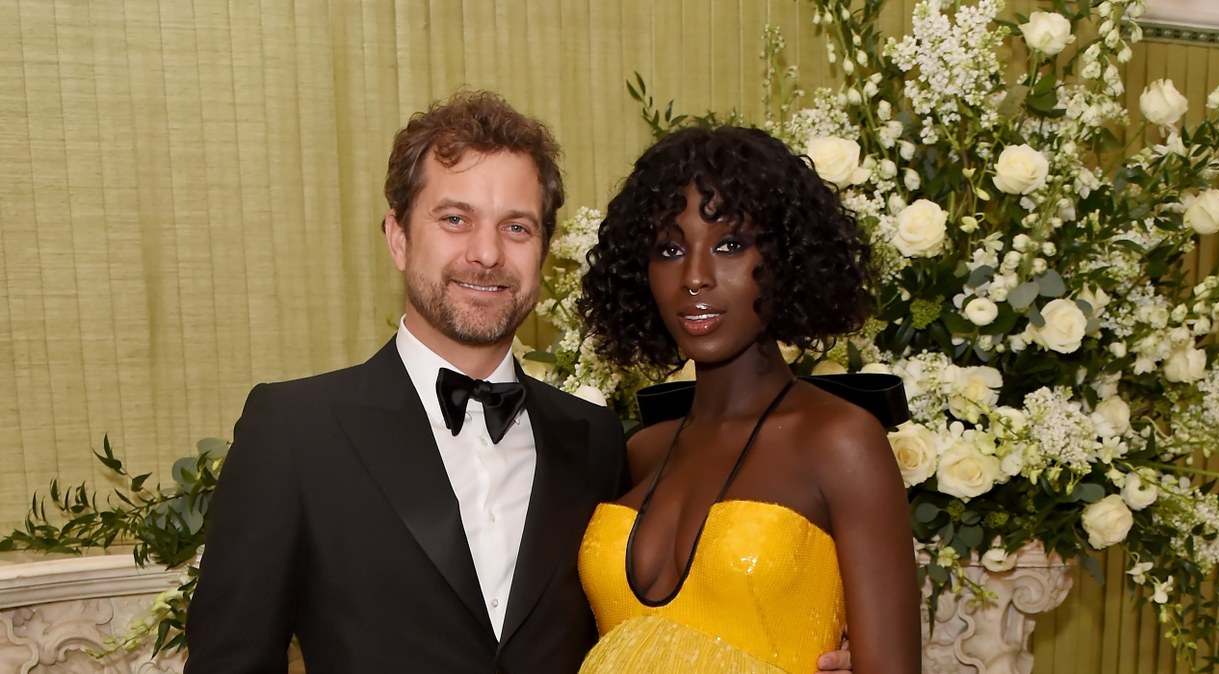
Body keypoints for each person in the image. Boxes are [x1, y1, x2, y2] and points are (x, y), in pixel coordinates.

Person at [185, 92, 858, 674]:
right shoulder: (295, 430)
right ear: (396, 237)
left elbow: (649, 630)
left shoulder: (595, 441)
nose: (486, 253)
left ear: (544, 250)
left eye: (517, 227)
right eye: (455, 220)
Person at [575, 126, 922, 673]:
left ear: (787, 259)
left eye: (730, 245)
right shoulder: (642, 451)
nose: (694, 277)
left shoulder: (840, 441)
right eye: (669, 249)